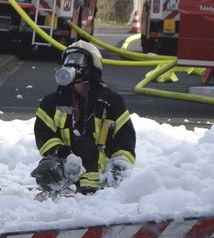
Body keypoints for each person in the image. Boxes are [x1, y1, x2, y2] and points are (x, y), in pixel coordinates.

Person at [32, 40, 136, 194]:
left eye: (79, 60)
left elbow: (126, 139)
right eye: (69, 60)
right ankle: (57, 191)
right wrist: (64, 154)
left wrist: (118, 166)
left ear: (91, 68)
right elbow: (43, 136)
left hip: (103, 179)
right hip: (68, 177)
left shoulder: (111, 102)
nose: (72, 65)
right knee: (47, 168)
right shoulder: (52, 103)